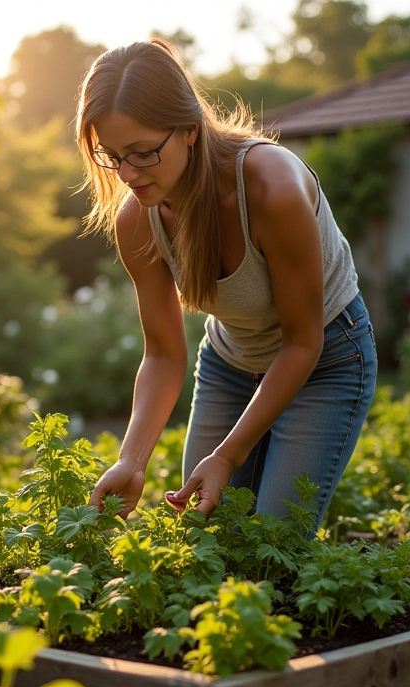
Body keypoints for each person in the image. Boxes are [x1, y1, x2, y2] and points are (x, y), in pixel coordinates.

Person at [78, 38, 377, 536]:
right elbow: (163, 355)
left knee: (272, 540)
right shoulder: (137, 219)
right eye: (112, 156)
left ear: (190, 130)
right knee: (207, 534)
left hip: (326, 359)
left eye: (143, 152)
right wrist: (132, 459)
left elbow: (303, 342)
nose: (128, 174)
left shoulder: (270, 188)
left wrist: (227, 455)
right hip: (231, 361)